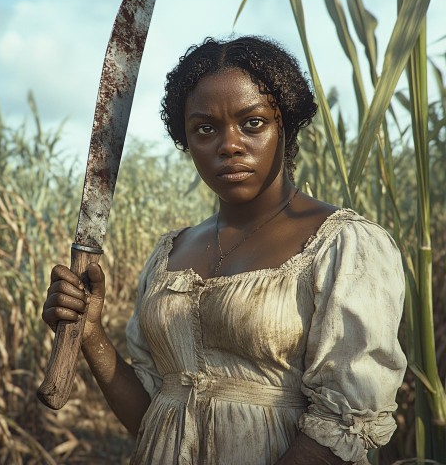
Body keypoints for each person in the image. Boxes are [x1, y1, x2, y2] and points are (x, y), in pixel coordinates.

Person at [42, 36, 407, 465]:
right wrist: (90, 335)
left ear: (284, 124)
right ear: (187, 141)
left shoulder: (343, 245)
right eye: (205, 128)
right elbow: (153, 417)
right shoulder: (169, 255)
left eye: (252, 123)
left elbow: (344, 424)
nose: (228, 144)